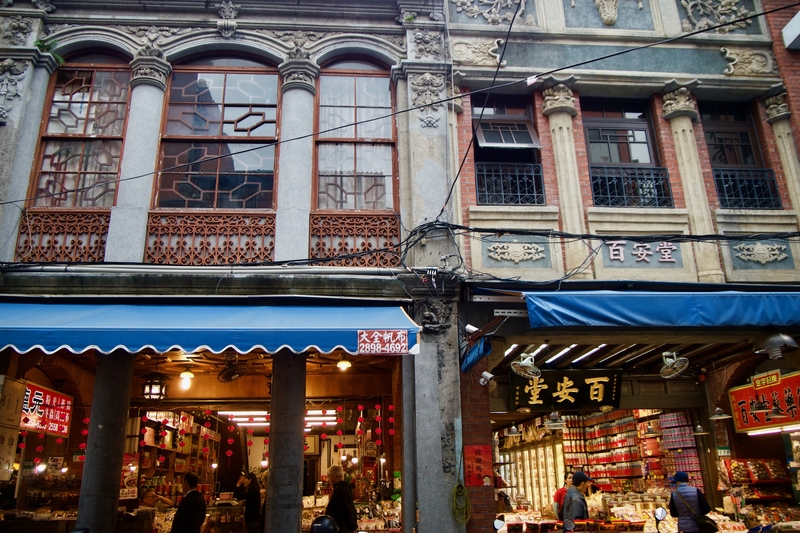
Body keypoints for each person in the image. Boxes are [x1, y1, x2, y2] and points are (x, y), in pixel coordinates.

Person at [324, 464, 358, 533]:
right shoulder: (345, 487)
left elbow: (345, 509)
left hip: (342, 527)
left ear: (334, 476)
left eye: (329, 477)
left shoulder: (339, 489)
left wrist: (353, 527)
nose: (329, 480)